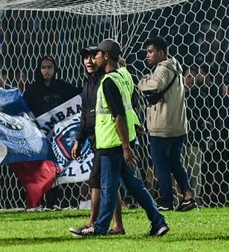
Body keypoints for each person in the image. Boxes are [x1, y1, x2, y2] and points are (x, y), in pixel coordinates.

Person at [71, 39, 168, 238]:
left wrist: (125, 146)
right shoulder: (123, 75)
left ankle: (98, 228)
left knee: (108, 187)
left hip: (112, 143)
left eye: (97, 54)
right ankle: (158, 222)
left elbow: (119, 115)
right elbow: (128, 107)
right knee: (134, 185)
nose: (94, 58)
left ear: (106, 56)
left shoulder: (107, 83)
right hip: (122, 141)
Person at [70, 46, 124, 235]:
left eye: (93, 57)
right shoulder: (87, 84)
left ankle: (93, 222)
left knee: (97, 181)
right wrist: (79, 140)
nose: (89, 61)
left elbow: (118, 111)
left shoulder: (106, 81)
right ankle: (118, 225)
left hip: (107, 138)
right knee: (112, 182)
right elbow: (86, 115)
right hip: (96, 139)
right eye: (86, 58)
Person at [137, 36, 196, 212]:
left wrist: (142, 82)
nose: (147, 55)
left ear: (161, 52)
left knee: (160, 164)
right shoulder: (175, 67)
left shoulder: (162, 69)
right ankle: (187, 196)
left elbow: (154, 85)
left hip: (162, 127)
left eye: (151, 52)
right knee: (175, 162)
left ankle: (165, 201)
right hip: (177, 125)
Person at [21, 55, 80, 209]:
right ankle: (38, 202)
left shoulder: (63, 87)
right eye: (43, 67)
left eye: (49, 67)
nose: (46, 70)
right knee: (40, 169)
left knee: (57, 167)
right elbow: (24, 110)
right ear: (39, 69)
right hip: (38, 136)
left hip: (59, 136)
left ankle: (52, 202)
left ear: (55, 69)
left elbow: (78, 98)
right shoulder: (32, 89)